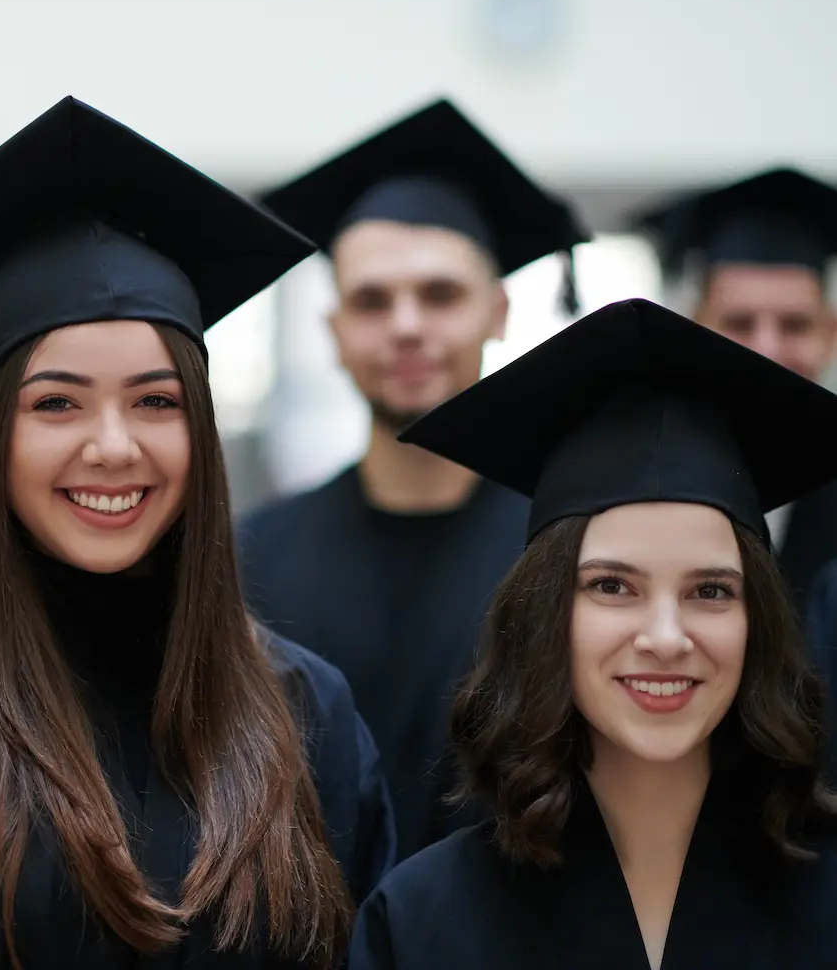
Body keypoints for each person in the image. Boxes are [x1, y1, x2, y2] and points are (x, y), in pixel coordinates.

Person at [0, 96, 396, 970]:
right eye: (55, 402)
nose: (112, 446)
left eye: (155, 402)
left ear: (200, 430)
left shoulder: (306, 710)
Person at [346, 299, 837, 969]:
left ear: (761, 622)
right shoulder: (424, 919)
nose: (665, 636)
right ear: (547, 617)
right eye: (612, 586)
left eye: (711, 591)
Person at [241, 97, 590, 860]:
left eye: (439, 294)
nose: (405, 324)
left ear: (497, 311)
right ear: (333, 332)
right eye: (371, 300)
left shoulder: (568, 553)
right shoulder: (252, 559)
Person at [635, 167, 837, 607]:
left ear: (832, 335)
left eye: (795, 324)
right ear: (693, 329)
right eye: (740, 323)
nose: (767, 349)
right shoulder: (632, 483)